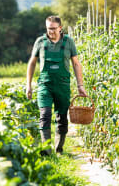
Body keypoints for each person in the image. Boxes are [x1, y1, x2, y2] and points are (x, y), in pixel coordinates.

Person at [26, 16, 87, 155]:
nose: (51, 31)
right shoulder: (40, 42)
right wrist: (28, 85)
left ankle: (59, 149)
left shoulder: (69, 42)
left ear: (60, 28)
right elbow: (32, 63)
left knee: (61, 117)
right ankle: (46, 150)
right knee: (45, 115)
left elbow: (76, 64)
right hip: (44, 85)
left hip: (62, 85)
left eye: (53, 29)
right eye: (48, 29)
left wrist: (80, 85)